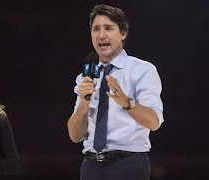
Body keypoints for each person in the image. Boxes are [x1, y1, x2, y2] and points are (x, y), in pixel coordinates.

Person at [67, 4, 164, 180]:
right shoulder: (85, 77)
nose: (101, 35)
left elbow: (154, 122)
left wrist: (127, 102)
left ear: (123, 33)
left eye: (108, 28)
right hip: (90, 166)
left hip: (128, 164)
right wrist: (83, 103)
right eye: (96, 29)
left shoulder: (142, 70)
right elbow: (75, 135)